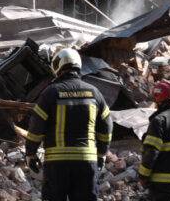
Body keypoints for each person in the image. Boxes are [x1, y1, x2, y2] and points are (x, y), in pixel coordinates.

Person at [25, 48, 113, 201]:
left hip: (57, 164)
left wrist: (31, 153)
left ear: (57, 67)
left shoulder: (50, 93)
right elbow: (106, 126)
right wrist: (101, 154)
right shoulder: (95, 93)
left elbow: (36, 127)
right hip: (86, 162)